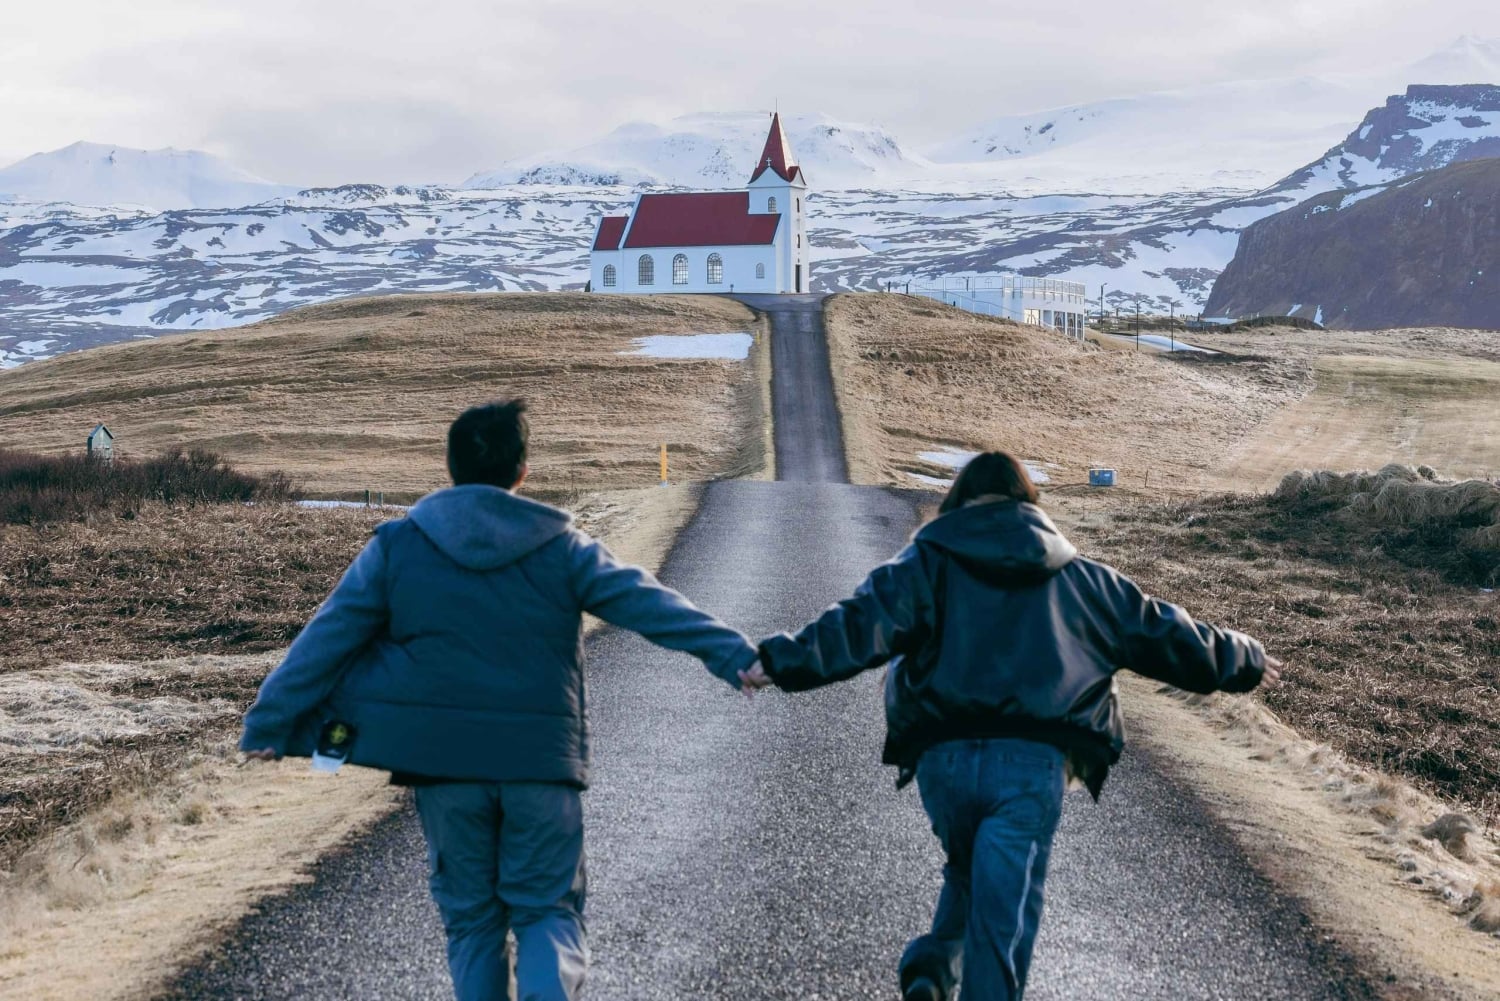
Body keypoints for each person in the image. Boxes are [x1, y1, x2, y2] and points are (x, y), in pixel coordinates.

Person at [239, 399, 759, 1001]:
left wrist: (269, 725)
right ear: (523, 472)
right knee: (546, 912)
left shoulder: (398, 548)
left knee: (473, 921)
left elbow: (324, 641)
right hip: (539, 762)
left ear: (450, 467)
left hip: (443, 768)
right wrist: (735, 655)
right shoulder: (561, 547)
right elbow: (648, 603)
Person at [740, 451, 1281, 1001]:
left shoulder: (924, 564)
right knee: (1007, 917)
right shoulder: (1081, 579)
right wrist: (1246, 657)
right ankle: (948, 975)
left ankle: (932, 970)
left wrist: (780, 661)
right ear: (1028, 504)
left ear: (960, 502)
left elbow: (859, 624)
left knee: (970, 868)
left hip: (943, 764)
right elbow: (1163, 633)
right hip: (1030, 765)